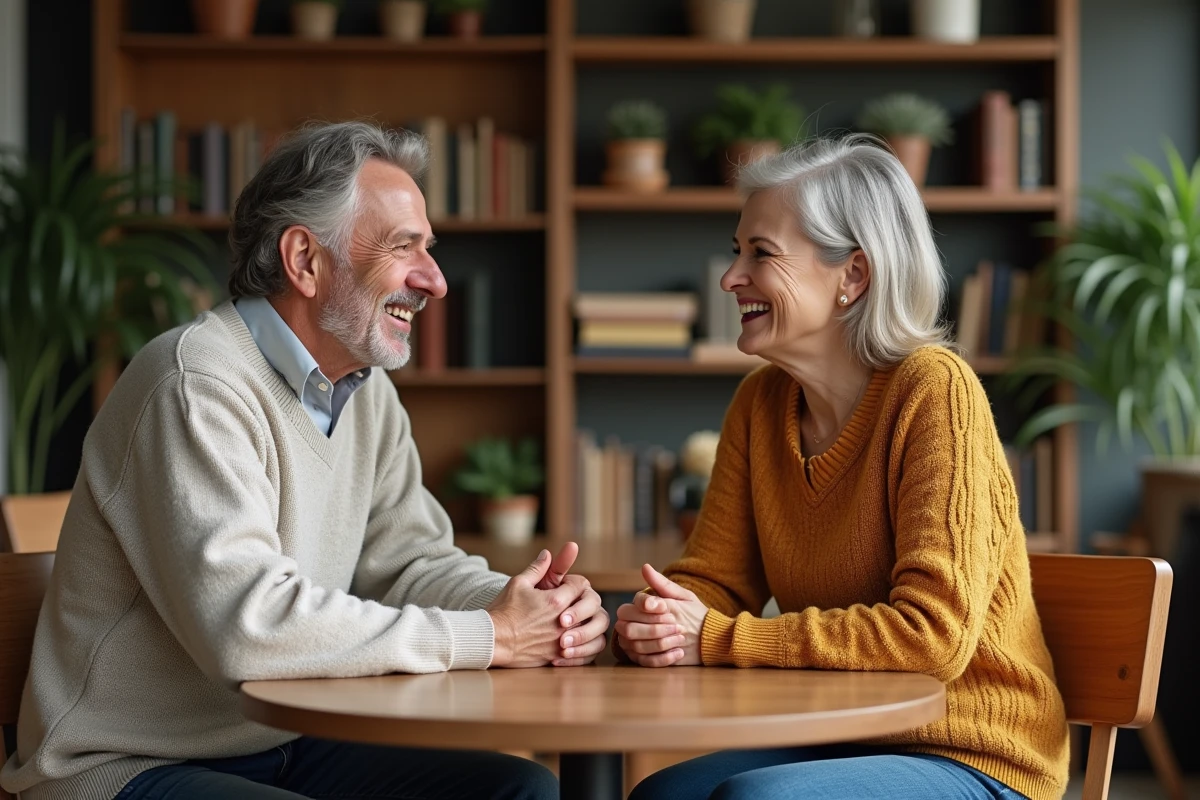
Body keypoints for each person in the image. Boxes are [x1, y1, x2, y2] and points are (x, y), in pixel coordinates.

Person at [0, 121, 609, 800]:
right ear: (304, 260)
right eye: (403, 247)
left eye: (428, 249)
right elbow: (248, 628)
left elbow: (409, 564)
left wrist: (526, 609)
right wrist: (490, 637)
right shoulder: (195, 383)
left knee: (519, 790)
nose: (435, 281)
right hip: (122, 761)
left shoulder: (365, 392)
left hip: (282, 739)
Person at [615, 135, 1069, 800]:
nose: (731, 277)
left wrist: (718, 637)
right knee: (663, 795)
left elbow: (933, 637)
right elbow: (713, 582)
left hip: (978, 752)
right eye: (737, 250)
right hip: (842, 734)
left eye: (760, 253)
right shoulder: (760, 404)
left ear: (852, 276)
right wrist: (654, 621)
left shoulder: (935, 392)